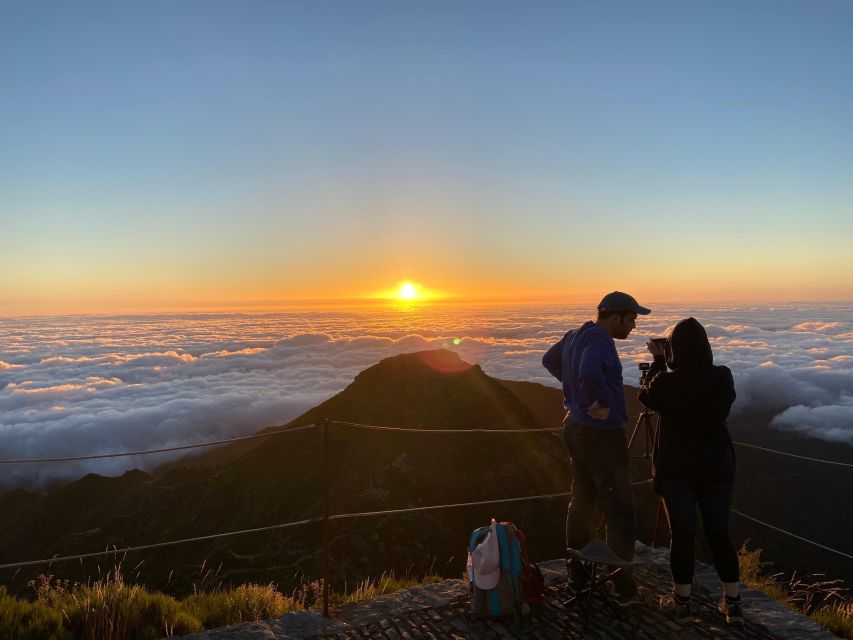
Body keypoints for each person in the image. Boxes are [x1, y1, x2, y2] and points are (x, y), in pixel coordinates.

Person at [542, 291, 651, 603]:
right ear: (614, 317)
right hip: (602, 434)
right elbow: (589, 370)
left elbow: (549, 360)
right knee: (619, 510)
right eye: (631, 319)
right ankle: (624, 589)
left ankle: (577, 577)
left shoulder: (575, 334)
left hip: (575, 427)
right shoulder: (601, 340)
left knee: (582, 500)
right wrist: (598, 401)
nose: (633, 326)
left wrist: (574, 391)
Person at [638, 317, 742, 625]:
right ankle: (733, 604)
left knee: (682, 535)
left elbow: (647, 395)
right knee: (719, 534)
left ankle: (682, 603)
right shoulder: (723, 377)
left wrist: (658, 360)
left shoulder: (668, 382)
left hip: (677, 471)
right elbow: (725, 404)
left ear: (676, 350)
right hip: (717, 467)